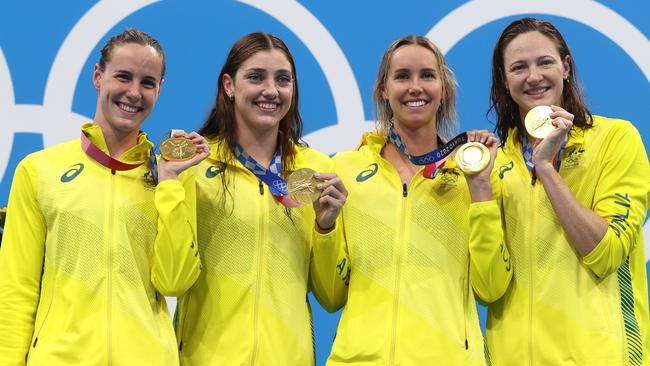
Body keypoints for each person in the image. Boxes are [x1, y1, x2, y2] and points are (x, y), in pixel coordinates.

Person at [0, 28, 209, 365]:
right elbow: (15, 291)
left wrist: (169, 183)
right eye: (123, 77)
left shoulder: (173, 176)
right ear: (98, 76)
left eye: (147, 83)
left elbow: (174, 282)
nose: (133, 93)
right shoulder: (39, 171)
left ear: (159, 90)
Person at [311, 35, 513, 365]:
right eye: (402, 76)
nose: (415, 87)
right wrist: (324, 227)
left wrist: (479, 189)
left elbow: (491, 287)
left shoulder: (475, 171)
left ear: (443, 89)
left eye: (428, 76)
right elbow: (331, 295)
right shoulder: (345, 169)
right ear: (383, 90)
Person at [174, 32, 347, 365]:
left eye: (283, 80)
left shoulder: (316, 171)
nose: (271, 90)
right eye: (256, 77)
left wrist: (326, 228)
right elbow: (172, 277)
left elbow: (330, 295)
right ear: (229, 85)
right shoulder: (194, 165)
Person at [486, 17, 650, 365]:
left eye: (544, 62)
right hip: (510, 357)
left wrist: (545, 167)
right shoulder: (495, 163)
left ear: (566, 67)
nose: (533, 76)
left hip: (597, 357)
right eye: (519, 67)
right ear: (505, 80)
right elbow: (488, 284)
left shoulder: (615, 139)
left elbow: (607, 253)